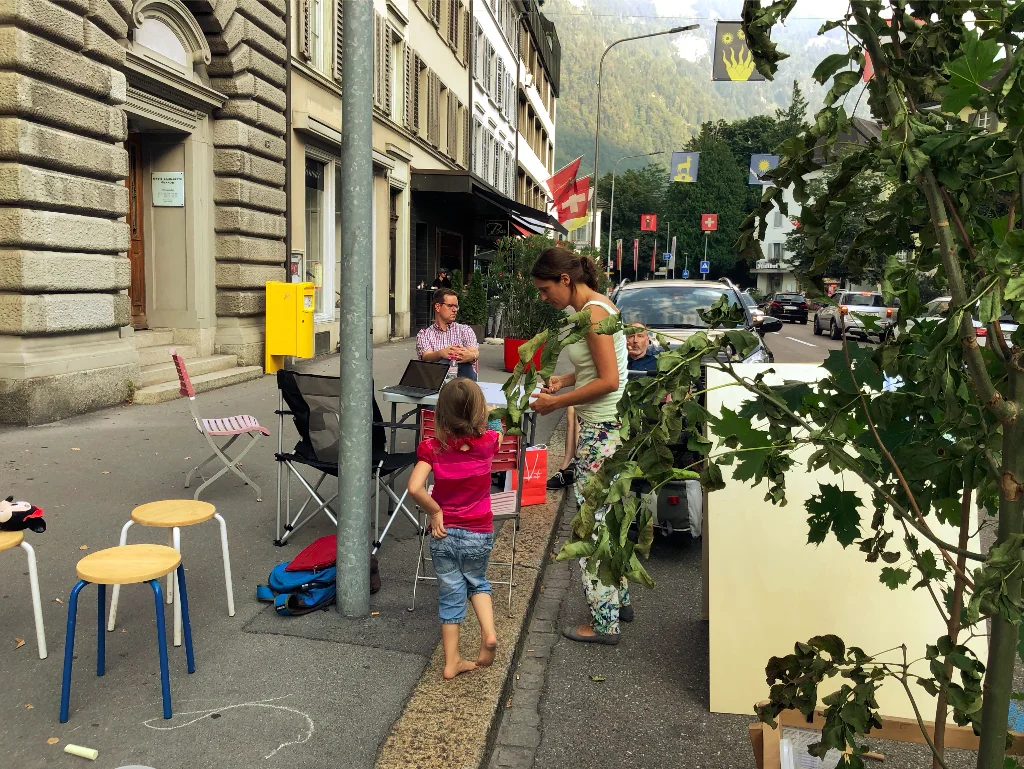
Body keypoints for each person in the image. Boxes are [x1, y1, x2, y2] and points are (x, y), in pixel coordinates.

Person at [528, 247, 631, 645]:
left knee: (590, 524)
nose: (543, 297)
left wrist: (556, 402)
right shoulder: (594, 308)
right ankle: (619, 599)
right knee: (611, 518)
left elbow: (608, 380)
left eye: (544, 289)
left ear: (565, 280)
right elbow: (597, 368)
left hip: (600, 431)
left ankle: (604, 623)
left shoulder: (593, 315)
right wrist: (566, 380)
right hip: (607, 427)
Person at [407, 379, 500, 679]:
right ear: (478, 412)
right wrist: (488, 413)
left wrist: (435, 511)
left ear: (441, 415)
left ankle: (452, 662)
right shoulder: (489, 442)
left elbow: (414, 487)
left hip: (443, 534)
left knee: (450, 594)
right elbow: (497, 425)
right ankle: (488, 633)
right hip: (478, 532)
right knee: (478, 583)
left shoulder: (432, 449)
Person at [416, 288, 479, 381]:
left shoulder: (465, 330)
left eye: (456, 306)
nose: (454, 310)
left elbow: (474, 351)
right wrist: (441, 353)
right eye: (450, 306)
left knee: (463, 364)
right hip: (437, 381)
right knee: (443, 362)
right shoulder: (424, 334)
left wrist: (470, 355)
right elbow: (426, 357)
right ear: (437, 307)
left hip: (465, 381)